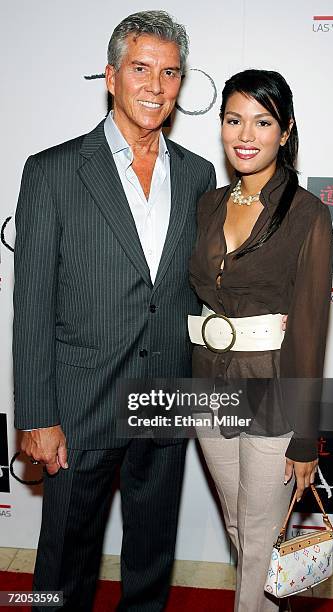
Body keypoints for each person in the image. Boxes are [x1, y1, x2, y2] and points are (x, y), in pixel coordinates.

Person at [13, 10, 216, 612]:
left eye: (170, 72)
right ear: (110, 76)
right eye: (141, 69)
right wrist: (37, 413)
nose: (156, 86)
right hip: (79, 408)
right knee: (62, 567)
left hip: (165, 402)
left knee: (151, 563)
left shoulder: (199, 175)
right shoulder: (52, 171)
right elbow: (31, 307)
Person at [188, 69, 333, 611]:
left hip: (272, 391)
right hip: (206, 387)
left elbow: (311, 333)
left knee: (256, 534)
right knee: (243, 527)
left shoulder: (307, 215)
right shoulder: (206, 206)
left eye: (262, 121)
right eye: (233, 119)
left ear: (285, 130)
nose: (245, 135)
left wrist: (305, 437)